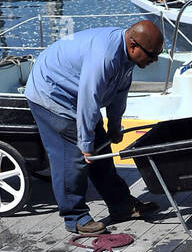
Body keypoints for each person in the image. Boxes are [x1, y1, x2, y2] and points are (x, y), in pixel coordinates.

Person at [24, 19, 164, 236]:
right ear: (134, 46)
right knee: (72, 157)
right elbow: (89, 100)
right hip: (51, 93)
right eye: (152, 54)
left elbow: (120, 92)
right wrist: (86, 144)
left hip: (75, 94)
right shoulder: (105, 56)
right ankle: (75, 217)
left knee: (101, 151)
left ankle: (121, 206)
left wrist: (114, 126)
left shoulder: (127, 56)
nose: (155, 59)